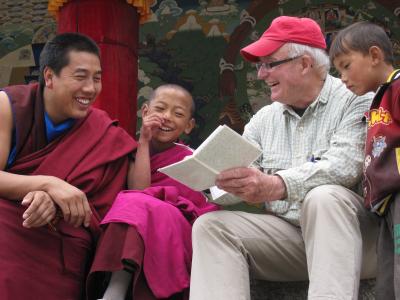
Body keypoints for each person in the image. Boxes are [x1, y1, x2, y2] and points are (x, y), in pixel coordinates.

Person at [189, 16, 378, 300]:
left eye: (269, 64)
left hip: (358, 243)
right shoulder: (263, 120)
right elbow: (245, 169)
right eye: (259, 66)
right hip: (293, 241)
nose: (261, 75)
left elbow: (345, 164)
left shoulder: (357, 98)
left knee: (324, 197)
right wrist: (222, 181)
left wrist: (275, 184)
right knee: (211, 227)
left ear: (304, 64)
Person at [0, 32, 137, 299]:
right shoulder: (9, 107)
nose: (90, 88)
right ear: (49, 77)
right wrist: (48, 184)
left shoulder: (104, 133)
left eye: (97, 78)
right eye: (80, 76)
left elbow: (121, 202)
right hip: (13, 224)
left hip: (62, 244)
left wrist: (54, 202)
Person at [87, 84, 218, 300]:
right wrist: (144, 141)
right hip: (139, 217)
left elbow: (196, 206)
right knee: (132, 207)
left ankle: (114, 293)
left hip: (177, 228)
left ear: (188, 125)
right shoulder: (128, 150)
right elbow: (141, 190)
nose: (167, 117)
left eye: (178, 114)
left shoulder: (191, 158)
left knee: (135, 206)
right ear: (145, 112)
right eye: (160, 109)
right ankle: (115, 289)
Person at [330, 21, 400, 300]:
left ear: (374, 55)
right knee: (389, 278)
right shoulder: (380, 97)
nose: (343, 78)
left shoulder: (397, 88)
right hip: (387, 204)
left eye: (346, 66)